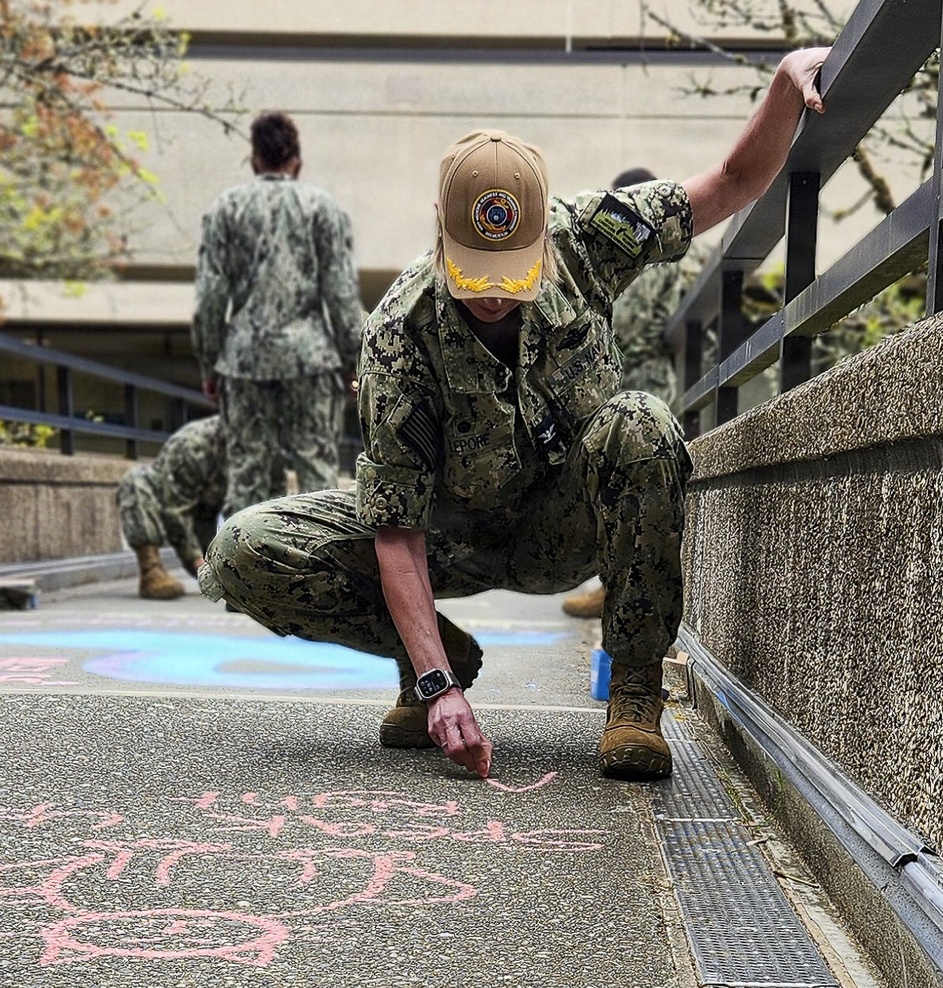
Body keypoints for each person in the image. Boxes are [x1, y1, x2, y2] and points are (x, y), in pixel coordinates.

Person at [199, 49, 829, 781]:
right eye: (475, 277)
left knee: (645, 424)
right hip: (448, 535)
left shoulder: (588, 235)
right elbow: (397, 531)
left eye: (511, 276)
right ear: (439, 228)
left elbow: (731, 183)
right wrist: (437, 686)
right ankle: (437, 654)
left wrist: (785, 83)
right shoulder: (399, 332)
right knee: (244, 549)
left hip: (565, 524)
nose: (493, 297)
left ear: (539, 233)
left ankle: (632, 695)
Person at [191, 111, 367, 518]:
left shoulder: (225, 209)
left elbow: (210, 297)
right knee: (318, 474)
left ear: (255, 160)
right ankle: (321, 573)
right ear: (297, 161)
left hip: (243, 358)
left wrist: (209, 363)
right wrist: (351, 361)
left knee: (247, 475)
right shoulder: (322, 208)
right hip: (311, 358)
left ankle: (243, 574)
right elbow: (340, 293)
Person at [563, 166, 684, 620]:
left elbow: (683, 320)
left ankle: (635, 603)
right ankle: (607, 585)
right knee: (607, 486)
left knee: (648, 484)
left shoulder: (668, 255)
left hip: (650, 375)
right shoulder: (602, 254)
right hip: (608, 377)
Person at [117, 415, 225, 600]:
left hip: (204, 516)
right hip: (166, 501)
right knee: (136, 481)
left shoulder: (257, 448)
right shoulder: (193, 444)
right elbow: (175, 507)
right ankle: (151, 571)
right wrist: (196, 560)